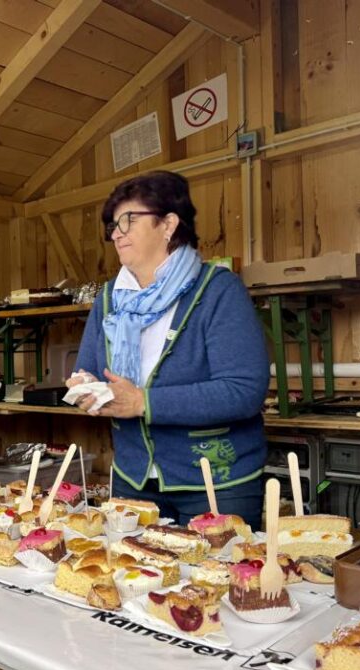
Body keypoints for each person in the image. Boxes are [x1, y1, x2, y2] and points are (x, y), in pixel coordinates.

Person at [67, 171, 269, 529]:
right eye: (113, 225)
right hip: (133, 478)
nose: (117, 232)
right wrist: (85, 386)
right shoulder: (110, 299)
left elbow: (243, 390)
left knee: (217, 582)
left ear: (168, 224)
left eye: (129, 220)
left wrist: (145, 403)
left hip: (214, 483)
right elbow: (90, 369)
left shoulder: (217, 291)